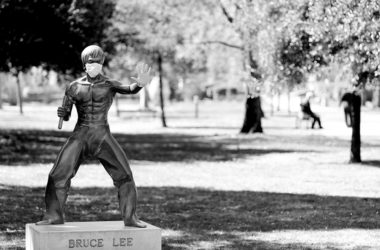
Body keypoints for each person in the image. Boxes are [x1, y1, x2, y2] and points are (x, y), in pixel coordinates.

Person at [36, 45, 151, 228]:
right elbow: (65, 116)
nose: (94, 65)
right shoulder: (73, 87)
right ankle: (54, 216)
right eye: (91, 62)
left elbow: (129, 89)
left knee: (125, 175)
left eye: (98, 62)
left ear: (102, 63)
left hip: (102, 135)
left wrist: (140, 83)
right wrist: (63, 112)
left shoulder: (109, 84)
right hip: (80, 135)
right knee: (57, 175)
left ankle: (130, 217)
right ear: (84, 64)